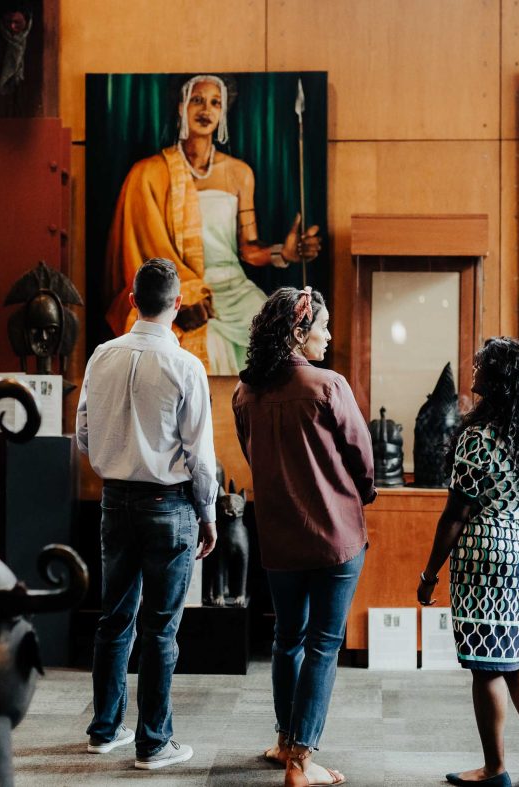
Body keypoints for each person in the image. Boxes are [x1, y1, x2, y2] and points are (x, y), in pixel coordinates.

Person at [76, 258, 219, 770]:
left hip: (114, 500)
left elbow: (84, 435)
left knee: (114, 620)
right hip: (169, 505)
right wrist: (209, 514)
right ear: (178, 305)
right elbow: (200, 455)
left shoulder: (100, 356)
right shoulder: (186, 367)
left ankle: (104, 730)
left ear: (133, 300)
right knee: (160, 629)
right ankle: (154, 743)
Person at [232, 287, 376, 787]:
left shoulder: (244, 391)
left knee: (286, 639)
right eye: (323, 327)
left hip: (278, 537)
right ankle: (300, 763)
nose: (329, 335)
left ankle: (283, 741)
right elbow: (362, 456)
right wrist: (363, 493)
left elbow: (251, 455)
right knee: (323, 645)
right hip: (335, 537)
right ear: (299, 332)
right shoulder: (328, 385)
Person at [417, 337, 519, 787]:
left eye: (481, 365)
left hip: (487, 557)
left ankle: (495, 768)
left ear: (497, 378)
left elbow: (456, 515)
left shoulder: (477, 438)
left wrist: (429, 574)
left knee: (486, 665)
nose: (473, 370)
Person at [105, 74, 321, 374]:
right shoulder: (149, 174)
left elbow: (248, 249)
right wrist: (178, 300)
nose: (206, 109)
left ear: (223, 112)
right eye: (197, 100)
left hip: (235, 288)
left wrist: (283, 254)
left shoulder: (239, 172)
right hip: (184, 290)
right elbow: (140, 255)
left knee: (274, 337)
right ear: (181, 107)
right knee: (209, 342)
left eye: (215, 102)